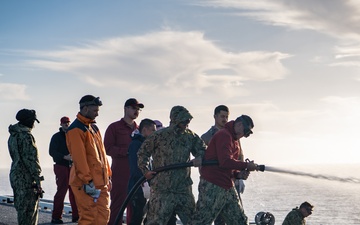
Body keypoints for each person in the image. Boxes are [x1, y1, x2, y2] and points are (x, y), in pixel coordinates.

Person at [138, 105, 205, 225]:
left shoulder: (190, 137)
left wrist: (199, 157)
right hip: (162, 189)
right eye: (183, 120)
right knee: (155, 222)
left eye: (187, 121)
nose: (186, 123)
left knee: (194, 222)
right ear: (175, 120)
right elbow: (142, 153)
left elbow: (203, 150)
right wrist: (145, 171)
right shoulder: (159, 136)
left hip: (183, 189)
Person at [190, 115, 260, 225]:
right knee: (201, 221)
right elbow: (225, 162)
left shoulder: (234, 140)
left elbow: (228, 166)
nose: (245, 135)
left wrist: (238, 175)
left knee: (239, 221)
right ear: (239, 125)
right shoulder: (224, 135)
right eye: (246, 131)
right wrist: (246, 165)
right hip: (213, 186)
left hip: (227, 185)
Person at [66, 95, 112, 224]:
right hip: (86, 183)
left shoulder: (93, 128)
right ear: (85, 108)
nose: (97, 114)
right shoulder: (76, 129)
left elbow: (102, 155)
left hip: (100, 182)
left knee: (103, 215)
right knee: (89, 217)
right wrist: (88, 181)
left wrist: (108, 176)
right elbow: (79, 158)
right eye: (95, 111)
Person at [201, 105, 246, 225]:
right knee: (211, 218)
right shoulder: (206, 137)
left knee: (237, 217)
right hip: (213, 182)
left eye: (226, 117)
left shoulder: (234, 136)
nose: (224, 119)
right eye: (222, 116)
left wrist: (239, 175)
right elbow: (203, 160)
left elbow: (238, 156)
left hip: (230, 180)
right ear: (215, 117)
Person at [104, 98, 144, 225]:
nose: (136, 111)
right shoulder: (114, 127)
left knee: (135, 207)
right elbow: (108, 148)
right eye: (133, 108)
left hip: (137, 175)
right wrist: (128, 151)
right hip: (120, 174)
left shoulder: (140, 130)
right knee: (117, 206)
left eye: (138, 109)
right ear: (125, 109)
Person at [8, 108, 44, 225]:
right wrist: (38, 180)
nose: (34, 124)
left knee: (21, 211)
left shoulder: (13, 135)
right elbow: (31, 160)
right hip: (27, 179)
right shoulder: (26, 136)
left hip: (16, 175)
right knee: (30, 213)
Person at [49, 116, 79, 224]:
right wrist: (64, 157)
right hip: (61, 166)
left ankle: (76, 216)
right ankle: (56, 217)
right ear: (61, 124)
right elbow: (52, 151)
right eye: (64, 123)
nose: (67, 124)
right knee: (61, 191)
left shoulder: (73, 136)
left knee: (74, 192)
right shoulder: (56, 137)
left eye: (68, 122)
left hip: (72, 167)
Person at [127, 119, 157, 225]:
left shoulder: (146, 145)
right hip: (138, 187)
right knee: (137, 216)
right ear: (144, 129)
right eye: (153, 130)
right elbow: (136, 167)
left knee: (143, 215)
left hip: (144, 186)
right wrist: (144, 179)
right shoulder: (136, 145)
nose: (155, 133)